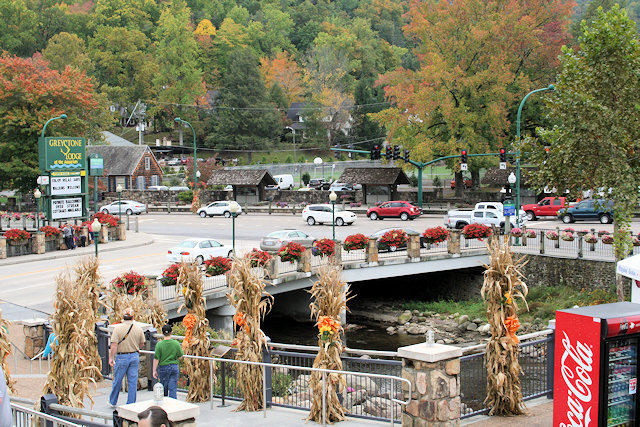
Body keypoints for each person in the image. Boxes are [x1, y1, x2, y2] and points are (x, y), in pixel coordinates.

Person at [109, 308, 146, 408]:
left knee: (117, 380)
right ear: (133, 317)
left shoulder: (118, 329)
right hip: (134, 355)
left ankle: (113, 401)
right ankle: (131, 403)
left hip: (122, 356)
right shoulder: (138, 328)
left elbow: (114, 345)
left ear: (123, 317)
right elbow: (142, 343)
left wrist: (111, 358)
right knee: (132, 381)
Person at [152, 324, 183, 399]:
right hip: (174, 366)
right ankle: (173, 405)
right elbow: (180, 356)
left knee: (163, 387)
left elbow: (156, 358)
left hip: (163, 367)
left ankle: (164, 404)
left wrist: (154, 370)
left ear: (162, 333)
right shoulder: (176, 343)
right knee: (173, 388)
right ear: (171, 332)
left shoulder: (159, 345)